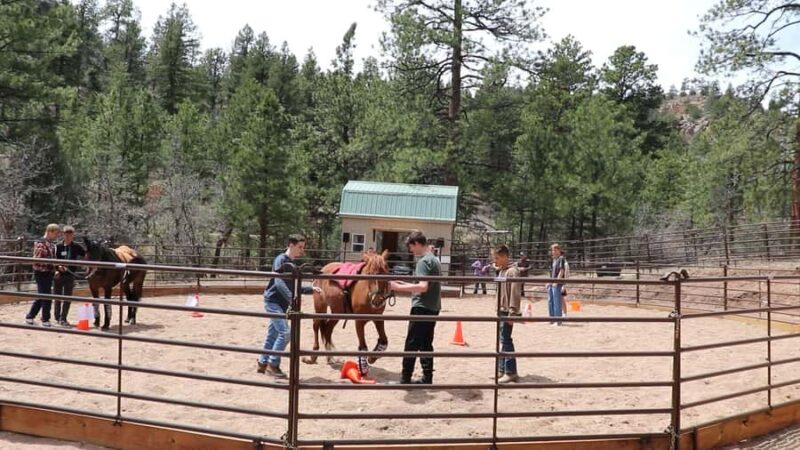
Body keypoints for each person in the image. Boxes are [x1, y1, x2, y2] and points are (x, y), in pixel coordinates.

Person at [257, 234, 319, 378]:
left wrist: (311, 289)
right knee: (285, 333)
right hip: (273, 302)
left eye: (303, 247)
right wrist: (292, 298)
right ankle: (273, 364)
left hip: (281, 303)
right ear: (291, 245)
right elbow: (279, 282)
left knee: (273, 334)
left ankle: (262, 362)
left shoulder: (291, 264)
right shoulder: (281, 260)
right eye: (300, 247)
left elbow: (292, 286)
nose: (302, 251)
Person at [390, 230, 441, 384]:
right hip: (433, 306)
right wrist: (403, 283)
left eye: (411, 247)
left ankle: (405, 377)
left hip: (422, 307)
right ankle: (427, 377)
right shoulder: (434, 260)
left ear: (417, 244)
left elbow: (423, 287)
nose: (411, 251)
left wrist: (397, 288)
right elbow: (424, 284)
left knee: (411, 343)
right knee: (426, 343)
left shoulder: (423, 262)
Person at [493, 245, 522, 383]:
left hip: (507, 310)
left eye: (497, 258)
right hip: (501, 308)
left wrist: (513, 312)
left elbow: (515, 294)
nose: (495, 260)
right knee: (502, 339)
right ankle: (502, 369)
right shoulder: (502, 271)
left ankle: (511, 371)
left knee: (506, 339)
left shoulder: (512, 272)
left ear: (505, 257)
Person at [25, 224, 59, 327]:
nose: (56, 236)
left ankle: (30, 316)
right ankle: (45, 319)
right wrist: (53, 265)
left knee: (42, 295)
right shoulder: (41, 244)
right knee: (46, 296)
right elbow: (38, 260)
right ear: (50, 232)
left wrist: (56, 266)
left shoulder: (50, 244)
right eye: (55, 233)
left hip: (47, 272)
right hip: (41, 273)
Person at [53, 225, 85, 327]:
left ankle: (63, 318)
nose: (68, 237)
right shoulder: (58, 246)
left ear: (73, 235)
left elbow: (85, 254)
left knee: (67, 297)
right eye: (66, 234)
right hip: (59, 274)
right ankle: (57, 317)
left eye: (70, 235)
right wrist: (57, 268)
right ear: (63, 235)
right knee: (57, 296)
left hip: (70, 275)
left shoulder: (76, 247)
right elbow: (53, 260)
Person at [546, 243, 568, 325]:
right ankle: (552, 318)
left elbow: (561, 271)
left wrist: (556, 281)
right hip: (552, 283)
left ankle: (558, 320)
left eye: (555, 250)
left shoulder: (561, 259)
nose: (553, 252)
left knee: (557, 302)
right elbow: (552, 273)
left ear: (559, 250)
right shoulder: (553, 260)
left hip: (557, 284)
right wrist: (549, 282)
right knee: (550, 301)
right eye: (552, 250)